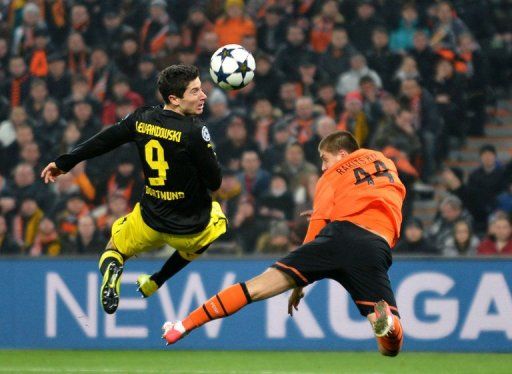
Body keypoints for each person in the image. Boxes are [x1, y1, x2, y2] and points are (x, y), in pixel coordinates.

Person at [163, 131, 406, 357]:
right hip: (375, 246)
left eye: (324, 158)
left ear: (342, 154)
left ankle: (184, 325)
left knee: (254, 288)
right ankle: (388, 326)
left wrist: (299, 285)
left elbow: (316, 227)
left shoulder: (331, 176)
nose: (323, 166)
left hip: (338, 237)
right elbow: (372, 198)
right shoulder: (385, 163)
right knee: (389, 349)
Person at [41, 65, 227, 314]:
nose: (203, 95)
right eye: (195, 91)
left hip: (150, 218)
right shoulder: (194, 131)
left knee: (114, 250)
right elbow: (215, 183)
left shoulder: (141, 118)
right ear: (174, 99)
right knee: (216, 220)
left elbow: (105, 140)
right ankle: (157, 280)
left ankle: (113, 272)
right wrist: (208, 154)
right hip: (189, 225)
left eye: (201, 89)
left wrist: (64, 162)